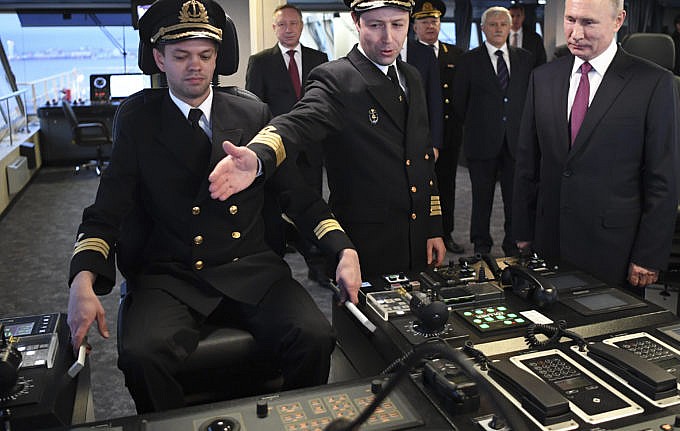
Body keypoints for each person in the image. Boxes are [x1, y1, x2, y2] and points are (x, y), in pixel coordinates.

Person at [66, 0, 361, 414]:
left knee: (314, 336)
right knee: (141, 356)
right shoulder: (138, 119)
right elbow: (107, 209)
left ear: (217, 58)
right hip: (171, 273)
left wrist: (342, 249)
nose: (195, 67)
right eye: (181, 56)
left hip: (250, 267)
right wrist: (82, 280)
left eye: (205, 56)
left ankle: (289, 420)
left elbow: (299, 194)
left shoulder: (252, 111)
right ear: (158, 59)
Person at [208, 0, 446, 279]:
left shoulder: (411, 76)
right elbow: (297, 121)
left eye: (397, 25)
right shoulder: (337, 78)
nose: (388, 38)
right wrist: (260, 154)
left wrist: (433, 227)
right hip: (367, 241)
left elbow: (421, 157)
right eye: (375, 25)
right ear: (356, 22)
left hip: (416, 235)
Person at [512, 0, 680, 292]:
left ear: (618, 20)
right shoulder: (543, 78)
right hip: (550, 240)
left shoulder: (655, 83)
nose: (575, 32)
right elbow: (528, 161)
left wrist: (649, 254)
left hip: (614, 250)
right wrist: (522, 229)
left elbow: (663, 178)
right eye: (570, 19)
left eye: (588, 23)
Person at [245, 4, 330, 283]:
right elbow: (254, 106)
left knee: (313, 200)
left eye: (293, 24)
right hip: (277, 146)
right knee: (277, 203)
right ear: (274, 28)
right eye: (282, 25)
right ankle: (278, 262)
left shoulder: (320, 58)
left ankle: (316, 262)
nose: (288, 29)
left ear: (302, 26)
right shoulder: (260, 61)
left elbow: (326, 103)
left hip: (312, 145)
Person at [453, 6, 534, 256]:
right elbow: (459, 103)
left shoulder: (526, 59)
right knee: (481, 198)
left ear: (511, 28)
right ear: (483, 28)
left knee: (514, 199)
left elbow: (531, 100)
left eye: (503, 24)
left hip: (515, 142)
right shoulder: (468, 60)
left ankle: (512, 243)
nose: (498, 28)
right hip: (482, 142)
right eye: (493, 24)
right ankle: (481, 244)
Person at [411, 0, 465, 254]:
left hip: (450, 132)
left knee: (447, 185)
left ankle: (446, 232)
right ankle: (421, 233)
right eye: (424, 21)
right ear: (414, 26)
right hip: (420, 134)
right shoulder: (407, 54)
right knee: (419, 186)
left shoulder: (455, 54)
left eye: (433, 20)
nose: (430, 25)